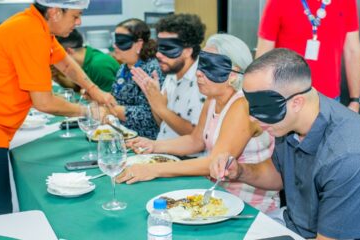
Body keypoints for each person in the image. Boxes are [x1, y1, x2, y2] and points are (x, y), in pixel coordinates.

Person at [210, 48, 360, 239]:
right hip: (295, 224)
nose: (252, 118)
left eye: (262, 108)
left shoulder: (351, 156)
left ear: (297, 102)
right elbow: (279, 174)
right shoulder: (287, 121)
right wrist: (239, 171)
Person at [117, 34, 280, 213]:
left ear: (233, 74)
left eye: (210, 66)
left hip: (249, 207)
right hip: (218, 197)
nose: (198, 73)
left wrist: (153, 169)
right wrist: (153, 146)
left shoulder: (242, 105)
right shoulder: (212, 99)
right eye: (201, 64)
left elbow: (214, 163)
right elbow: (196, 141)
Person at [0, 0, 115, 216]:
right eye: (75, 16)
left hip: (0, 128)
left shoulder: (36, 25)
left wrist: (94, 89)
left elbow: (65, 63)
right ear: (55, 12)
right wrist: (87, 111)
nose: (79, 22)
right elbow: (44, 102)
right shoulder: (31, 33)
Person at [255, 0, 360, 112]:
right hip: (286, 100)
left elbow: (352, 50)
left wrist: (355, 101)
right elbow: (263, 56)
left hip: (329, 102)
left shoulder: (347, 2)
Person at [130, 13, 206, 141]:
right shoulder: (172, 74)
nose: (159, 55)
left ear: (188, 51)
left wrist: (160, 107)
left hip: (186, 159)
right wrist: (152, 97)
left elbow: (196, 136)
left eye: (168, 48)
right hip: (162, 151)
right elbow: (163, 123)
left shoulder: (202, 81)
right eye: (159, 47)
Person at [109, 19, 164, 139]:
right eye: (115, 40)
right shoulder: (124, 67)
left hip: (146, 141)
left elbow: (151, 117)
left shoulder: (152, 69)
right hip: (121, 134)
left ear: (139, 44)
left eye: (121, 41)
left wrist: (113, 110)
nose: (115, 45)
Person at [53, 29, 120, 92]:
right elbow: (77, 88)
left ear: (68, 51)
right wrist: (57, 77)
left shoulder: (98, 65)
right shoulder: (84, 59)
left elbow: (110, 100)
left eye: (55, 54)